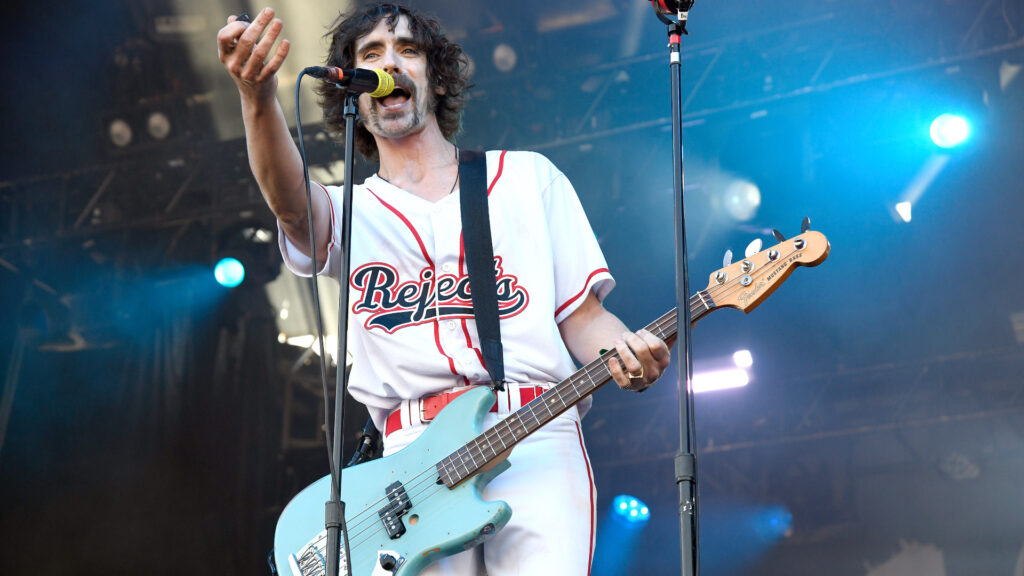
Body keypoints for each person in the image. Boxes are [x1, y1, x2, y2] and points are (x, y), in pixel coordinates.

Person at [217, 3, 671, 574]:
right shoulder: (349, 210)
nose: (390, 64)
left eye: (407, 50)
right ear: (352, 91)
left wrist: (627, 351)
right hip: (407, 467)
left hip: (533, 432)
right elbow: (289, 204)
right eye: (371, 54)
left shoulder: (527, 179)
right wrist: (257, 97)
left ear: (435, 79)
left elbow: (583, 319)